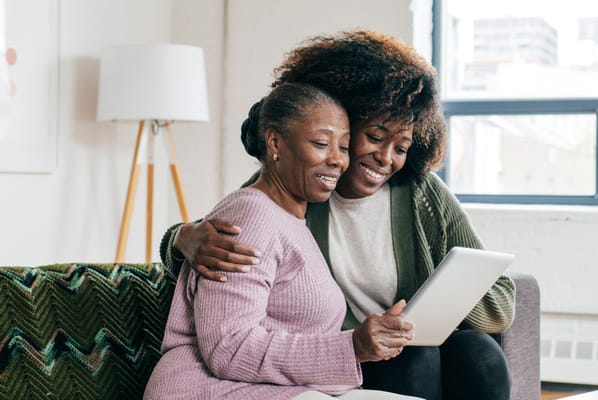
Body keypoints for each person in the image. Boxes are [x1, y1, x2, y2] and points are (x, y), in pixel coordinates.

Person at [160, 31, 515, 400]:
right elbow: (238, 222)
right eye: (375, 138)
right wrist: (182, 237)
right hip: (342, 354)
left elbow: (501, 304)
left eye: (401, 147)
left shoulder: (421, 195)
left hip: (399, 343)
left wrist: (446, 295)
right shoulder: (300, 186)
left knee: (479, 353)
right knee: (416, 359)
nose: (385, 158)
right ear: (347, 123)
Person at [144, 82, 421, 400]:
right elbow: (229, 348)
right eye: (321, 143)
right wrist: (353, 346)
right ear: (275, 143)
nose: (337, 161)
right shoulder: (250, 216)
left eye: (343, 147)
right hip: (209, 389)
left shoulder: (291, 221)